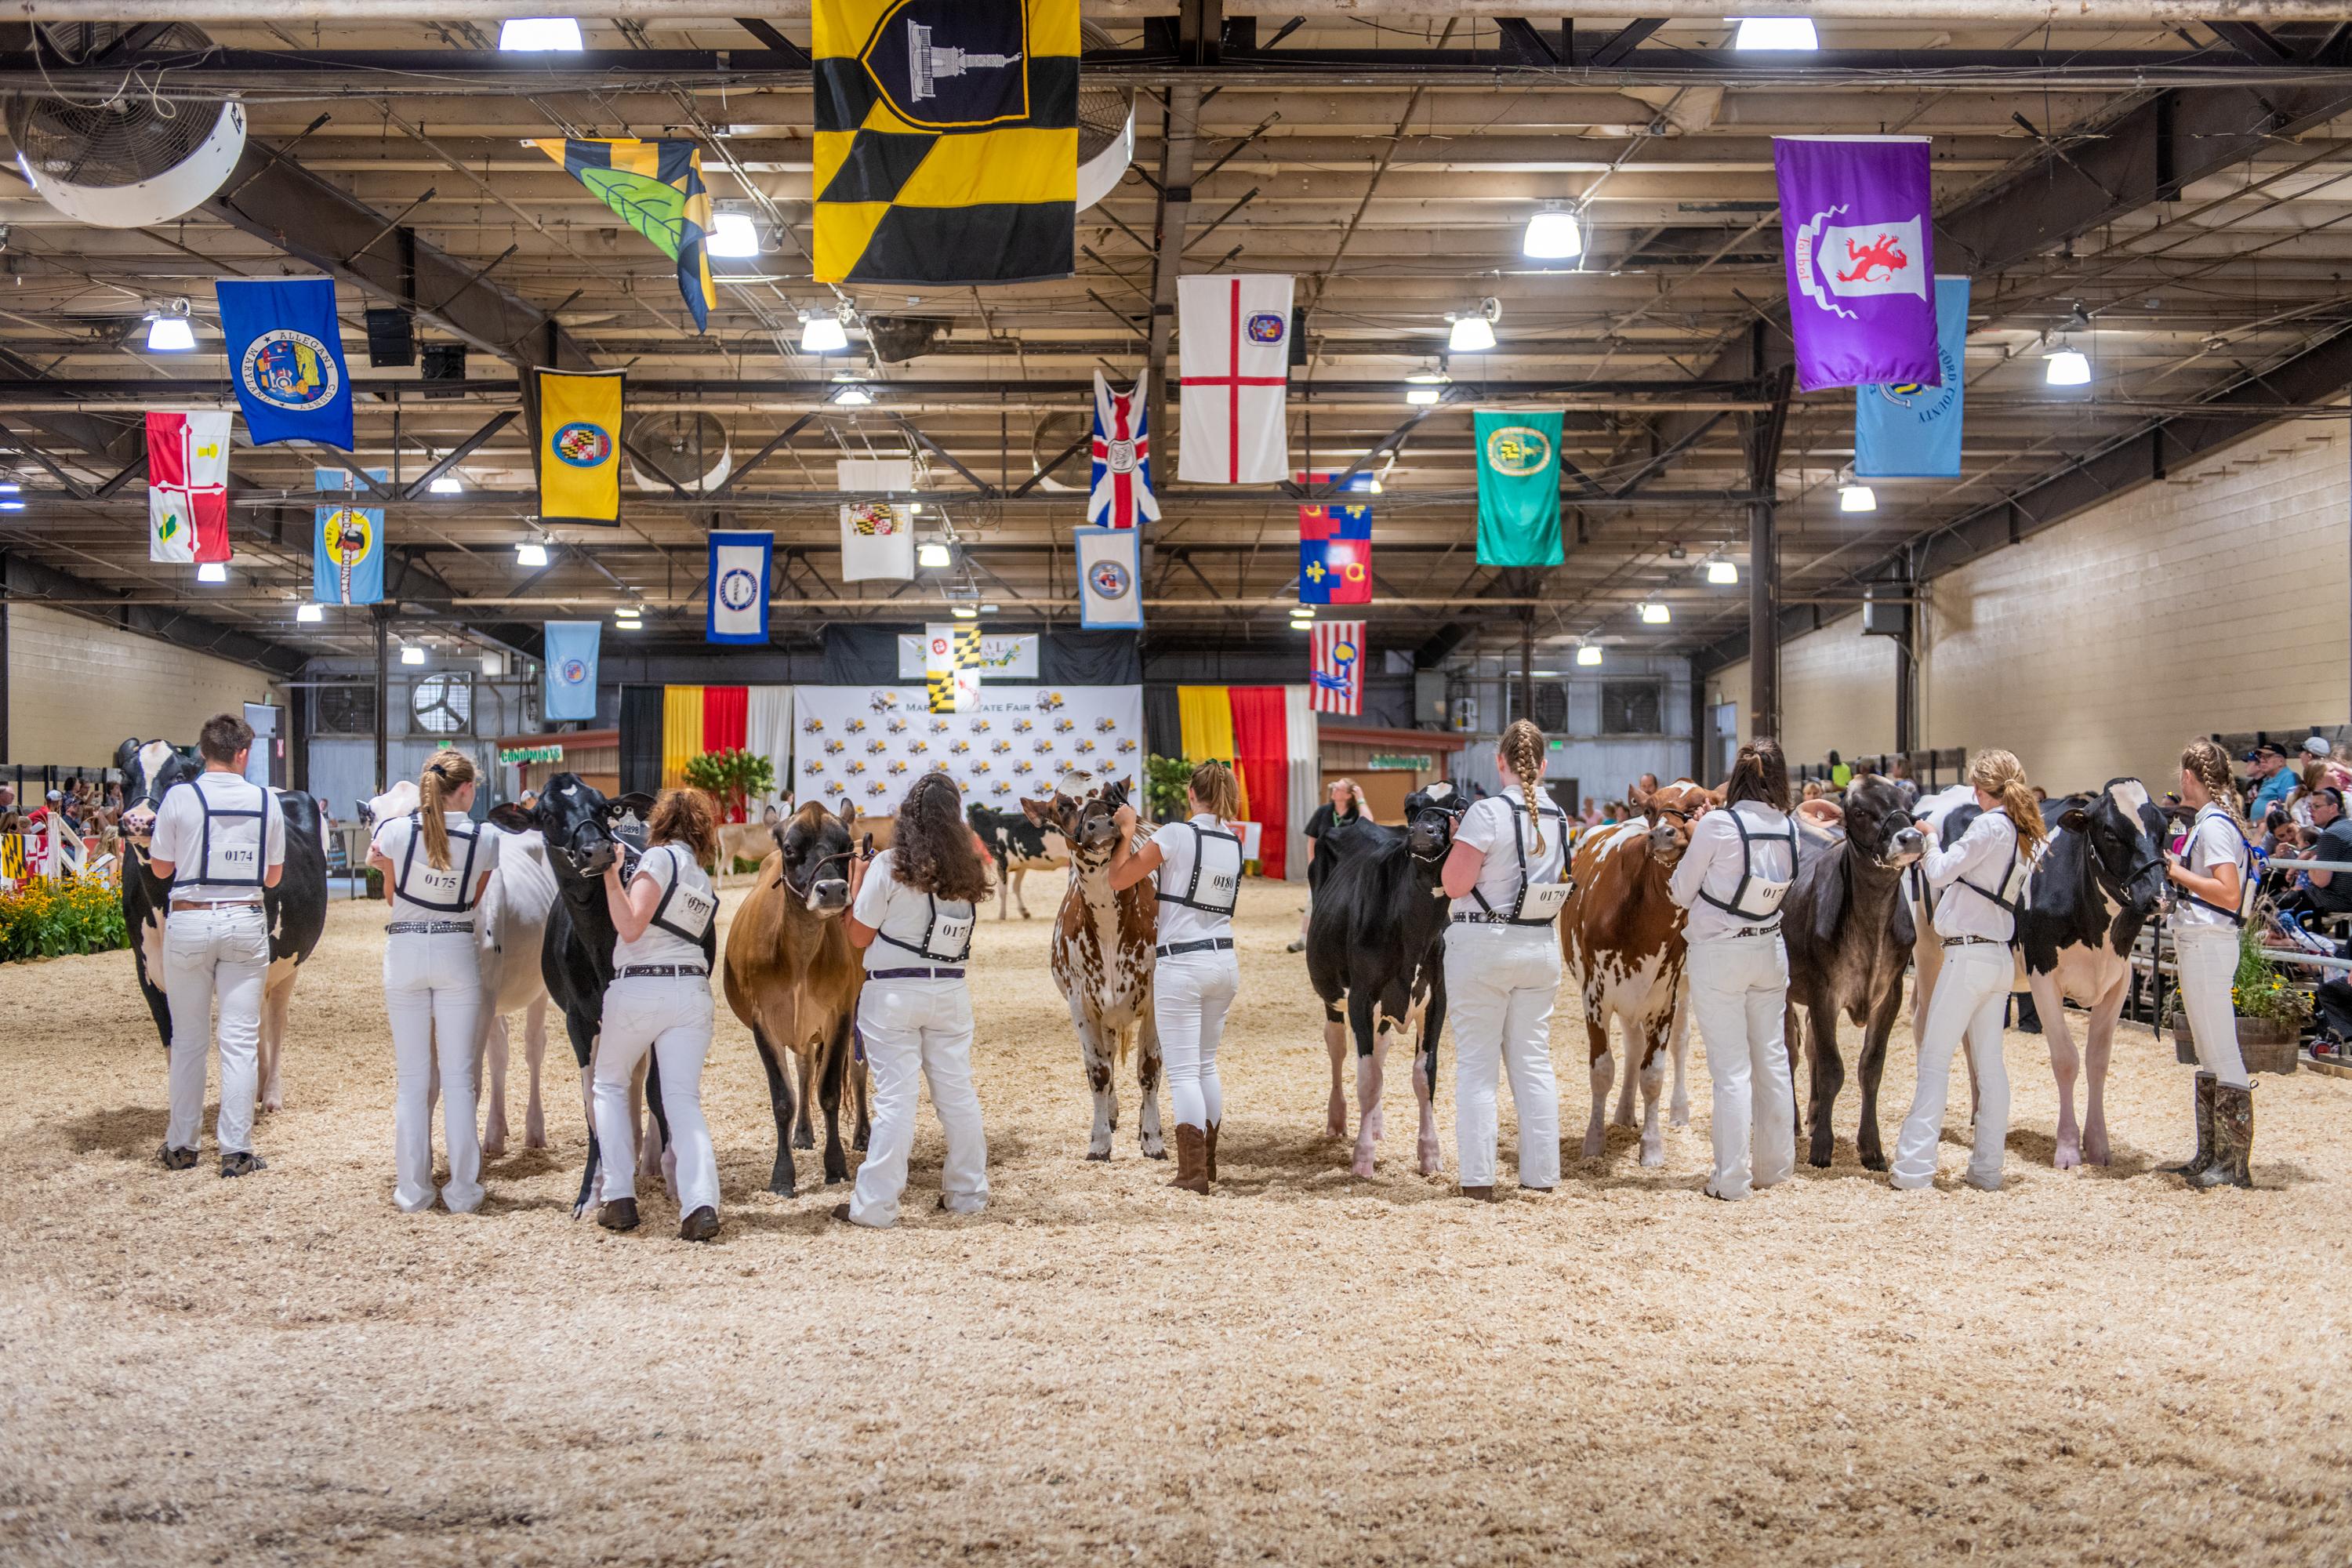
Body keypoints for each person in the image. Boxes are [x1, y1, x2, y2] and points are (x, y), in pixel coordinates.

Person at [834, 771, 991, 1229]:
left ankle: (876, 1206)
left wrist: (857, 884)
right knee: (958, 1095)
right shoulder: (967, 872)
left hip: (894, 993)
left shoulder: (889, 866)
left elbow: (859, 936)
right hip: (950, 992)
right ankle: (967, 1195)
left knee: (896, 1101)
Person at [1890, 749, 2045, 1193]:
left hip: (1967, 957)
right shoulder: (2024, 832)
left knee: (1935, 1061)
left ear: (1979, 789)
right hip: (1998, 957)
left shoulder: (1990, 824)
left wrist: (1931, 835)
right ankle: (1986, 1170)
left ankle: (1914, 1169)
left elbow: (1938, 874)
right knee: (1991, 1067)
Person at [145, 713, 287, 1177]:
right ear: (243, 753)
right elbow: (272, 877)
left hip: (188, 921)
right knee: (241, 1040)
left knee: (188, 1040)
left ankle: (182, 1147)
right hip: (246, 921)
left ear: (203, 752)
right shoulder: (267, 801)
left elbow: (162, 869)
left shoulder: (179, 797)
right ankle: (236, 1150)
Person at [366, 748, 499, 1214]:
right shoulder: (487, 839)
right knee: (460, 1078)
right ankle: (463, 1191)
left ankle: (413, 1191)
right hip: (456, 952)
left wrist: (389, 871)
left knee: (412, 1079)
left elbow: (391, 897)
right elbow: (473, 899)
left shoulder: (395, 833)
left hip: (403, 951)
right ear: (464, 790)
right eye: (474, 788)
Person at [1438, 719, 1566, 1200]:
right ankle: (1541, 1177)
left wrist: (1458, 841)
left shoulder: (1486, 813)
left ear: (1500, 762)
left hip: (1483, 946)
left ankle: (1479, 1180)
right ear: (1544, 764)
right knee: (1533, 1062)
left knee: (1476, 1065)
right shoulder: (1557, 815)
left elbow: (1455, 885)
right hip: (1539, 945)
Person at [1668, 738, 1797, 1202]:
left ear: (1736, 776)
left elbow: (1681, 892)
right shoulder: (1789, 826)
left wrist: (1704, 834)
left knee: (1731, 1070)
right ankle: (1775, 1169)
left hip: (1720, 953)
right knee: (1773, 1061)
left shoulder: (1718, 825)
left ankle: (1731, 1178)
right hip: (1769, 950)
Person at [593, 787, 724, 1240]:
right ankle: (700, 1204)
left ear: (660, 822)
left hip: (642, 986)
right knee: (683, 1101)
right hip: (690, 989)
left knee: (609, 1084)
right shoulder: (700, 876)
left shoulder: (659, 859)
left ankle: (619, 1197)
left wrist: (611, 874)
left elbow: (631, 927)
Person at [1108, 760, 1243, 1192]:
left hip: (1182, 963)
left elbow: (1119, 878)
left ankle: (1191, 1175)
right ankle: (1208, 1165)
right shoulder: (1233, 839)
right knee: (1205, 1065)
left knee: (1184, 1071)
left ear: (1191, 795)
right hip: (1224, 960)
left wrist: (1127, 831)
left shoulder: (1175, 833)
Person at [2165, 739, 2259, 1190]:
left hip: (2210, 941)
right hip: (2197, 939)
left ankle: (2234, 1164)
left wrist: (2175, 871)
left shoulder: (2215, 826)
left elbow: (2228, 893)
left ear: (2189, 777)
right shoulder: (2208, 823)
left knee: (2222, 1048)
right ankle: (2211, 1155)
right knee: (2207, 1049)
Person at [1293, 778, 1368, 951]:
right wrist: (1312, 863)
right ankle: (1304, 939)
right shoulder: (1323, 812)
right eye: (1334, 788)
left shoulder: (1355, 814)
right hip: (1323, 865)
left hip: (1347, 868)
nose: (1334, 790)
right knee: (1313, 901)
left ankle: (1343, 940)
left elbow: (1368, 822)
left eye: (1339, 789)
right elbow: (1312, 838)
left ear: (1349, 795)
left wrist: (1361, 799)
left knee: (1347, 903)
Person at [2281, 787, 2352, 916]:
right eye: (2310, 806)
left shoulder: (2331, 834)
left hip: (2338, 900)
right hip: (2345, 896)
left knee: (2272, 904)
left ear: (2333, 808)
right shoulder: (2347, 826)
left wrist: (2308, 866)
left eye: (2316, 806)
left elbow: (2321, 881)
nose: (2311, 811)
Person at [2245, 742, 2296, 819]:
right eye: (2260, 757)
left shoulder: (2288, 777)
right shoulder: (2268, 778)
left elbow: (2285, 811)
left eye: (2267, 757)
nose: (2262, 761)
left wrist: (2254, 824)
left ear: (2281, 761)